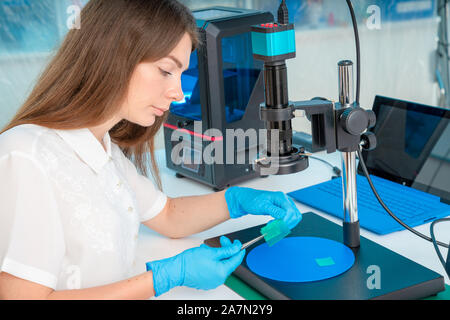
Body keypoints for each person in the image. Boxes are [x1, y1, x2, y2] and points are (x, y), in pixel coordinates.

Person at [0, 0, 302, 300]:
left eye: (182, 74)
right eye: (166, 71)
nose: (179, 93)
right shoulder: (26, 155)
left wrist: (237, 201)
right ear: (112, 55)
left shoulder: (103, 148)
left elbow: (168, 215)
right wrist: (163, 278)